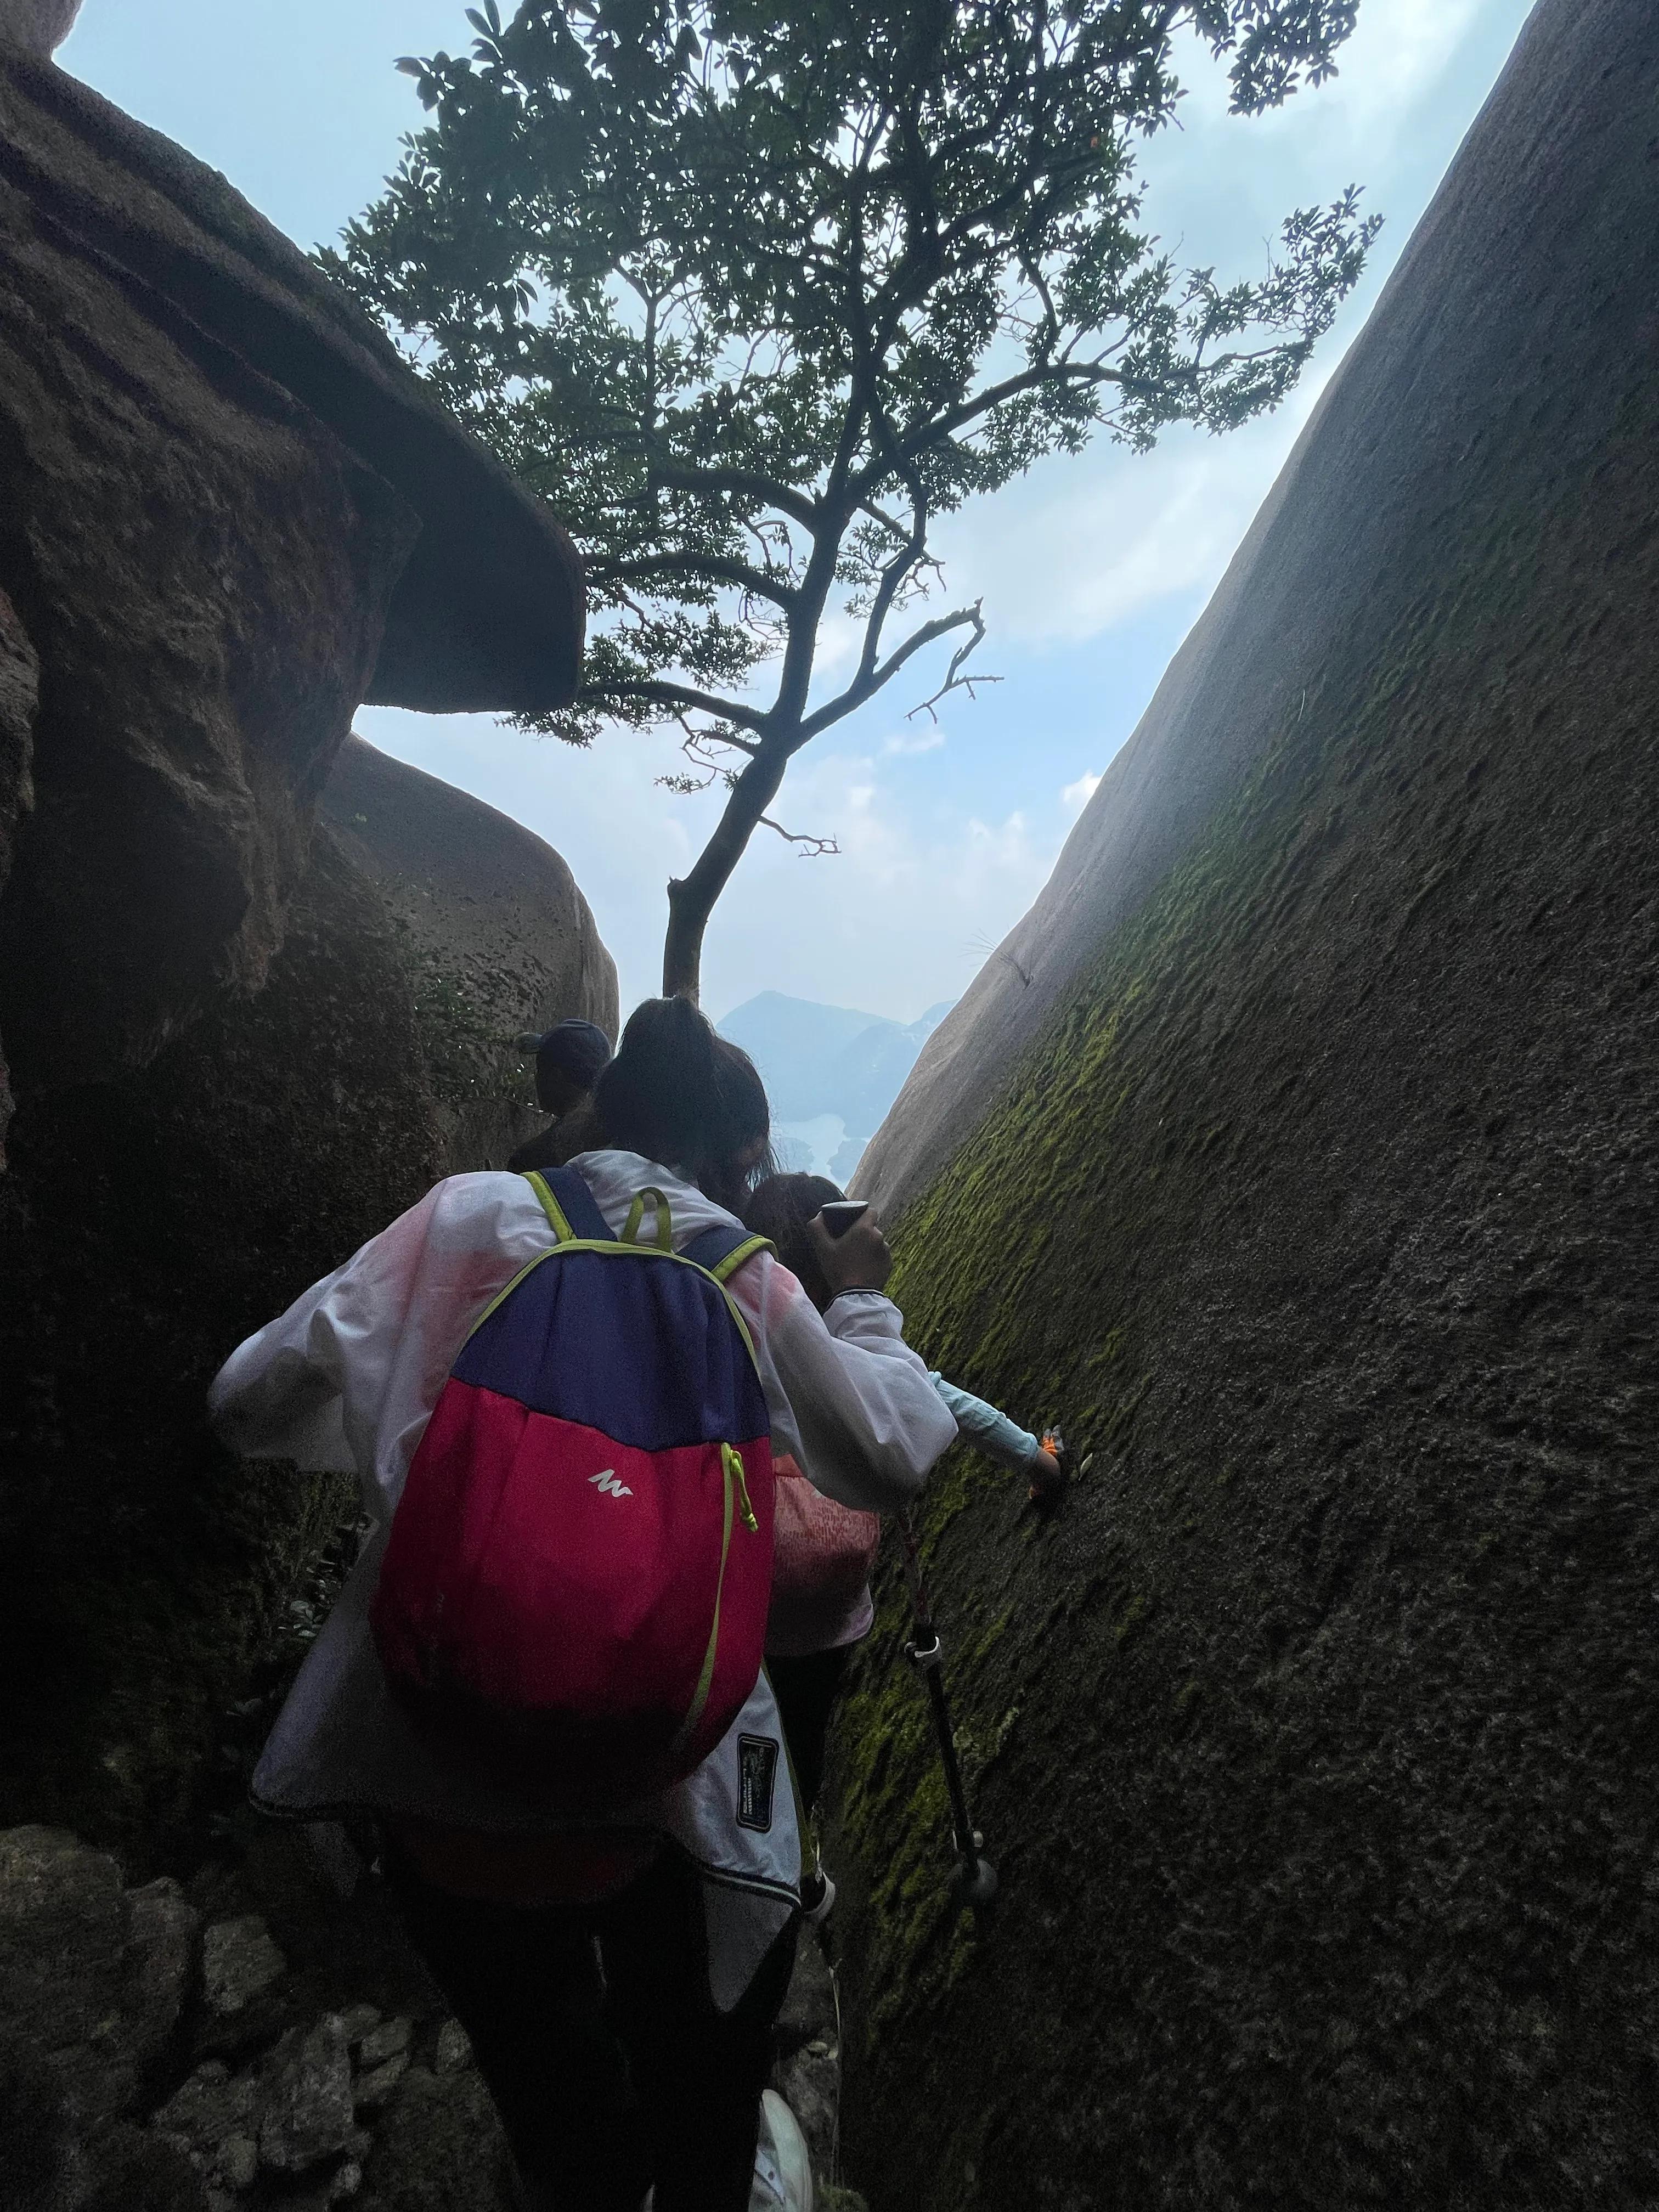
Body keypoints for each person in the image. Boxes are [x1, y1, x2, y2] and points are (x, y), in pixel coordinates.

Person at [208, 998, 957, 2212]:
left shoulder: (465, 1217)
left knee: (547, 2081)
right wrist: (861, 1298)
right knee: (699, 2046)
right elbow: (892, 1449)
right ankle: (719, 2180)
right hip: (655, 1793)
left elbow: (244, 1399)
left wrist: (410, 1442)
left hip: (432, 1766)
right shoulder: (741, 1272)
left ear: (604, 1112)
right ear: (733, 1160)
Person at [741, 1171, 1064, 1918]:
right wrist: (1040, 1463)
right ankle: (798, 1855)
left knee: (766, 1737)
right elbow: (952, 1407)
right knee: (808, 1740)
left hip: (760, 1605)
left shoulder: (753, 1351)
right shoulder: (864, 1360)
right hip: (833, 1595)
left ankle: (787, 1876)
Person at [507, 1016, 614, 1173]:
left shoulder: (530, 1160)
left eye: (539, 1070)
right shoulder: (620, 1141)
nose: (536, 1078)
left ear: (555, 1076)